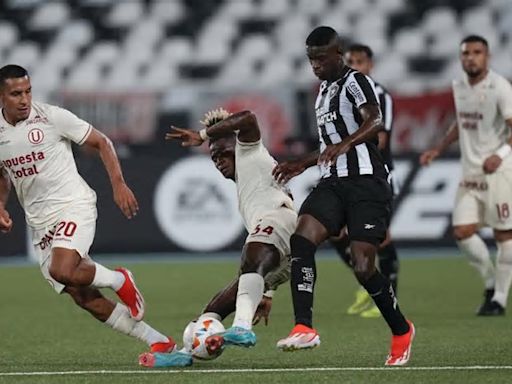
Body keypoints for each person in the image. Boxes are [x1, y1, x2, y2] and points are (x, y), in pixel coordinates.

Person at [0, 64, 176, 356]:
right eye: (16, 93)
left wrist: (118, 184)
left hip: (73, 204)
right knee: (84, 297)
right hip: (40, 223)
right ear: (1, 97)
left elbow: (101, 142)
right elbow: (2, 174)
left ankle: (119, 279)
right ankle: (159, 341)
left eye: (28, 91)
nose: (24, 99)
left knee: (62, 269)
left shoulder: (52, 117)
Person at [272, 26, 414, 366]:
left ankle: (401, 330)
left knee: (364, 266)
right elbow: (326, 147)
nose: (316, 65)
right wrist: (301, 163)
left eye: (322, 58)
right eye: (311, 60)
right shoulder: (321, 93)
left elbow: (375, 120)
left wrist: (346, 143)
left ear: (338, 54)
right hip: (333, 182)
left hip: (366, 182)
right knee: (302, 238)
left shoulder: (356, 82)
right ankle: (304, 326)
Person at [139, 108, 296, 368]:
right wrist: (267, 291)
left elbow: (248, 118)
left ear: (238, 144)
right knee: (215, 307)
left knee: (251, 255)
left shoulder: (250, 150)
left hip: (279, 221)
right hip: (282, 246)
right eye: (214, 158)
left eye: (223, 153)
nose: (219, 161)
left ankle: (242, 328)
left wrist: (202, 135)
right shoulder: (246, 188)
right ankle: (187, 353)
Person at [420, 35, 512, 316]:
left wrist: (501, 155)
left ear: (487, 56)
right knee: (462, 232)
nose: (471, 57)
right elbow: (460, 123)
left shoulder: (500, 87)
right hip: (470, 172)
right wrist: (438, 148)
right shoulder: (459, 86)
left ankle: (498, 299)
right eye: (466, 53)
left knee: (504, 235)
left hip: (499, 173)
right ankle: (489, 283)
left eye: (477, 52)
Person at [330, 43, 400, 319]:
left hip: (376, 173)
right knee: (336, 232)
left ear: (370, 65)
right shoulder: (336, 93)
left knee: (379, 238)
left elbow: (380, 139)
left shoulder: (381, 96)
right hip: (347, 173)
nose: (355, 66)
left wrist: (346, 146)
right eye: (351, 61)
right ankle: (369, 282)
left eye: (360, 61)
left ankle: (386, 294)